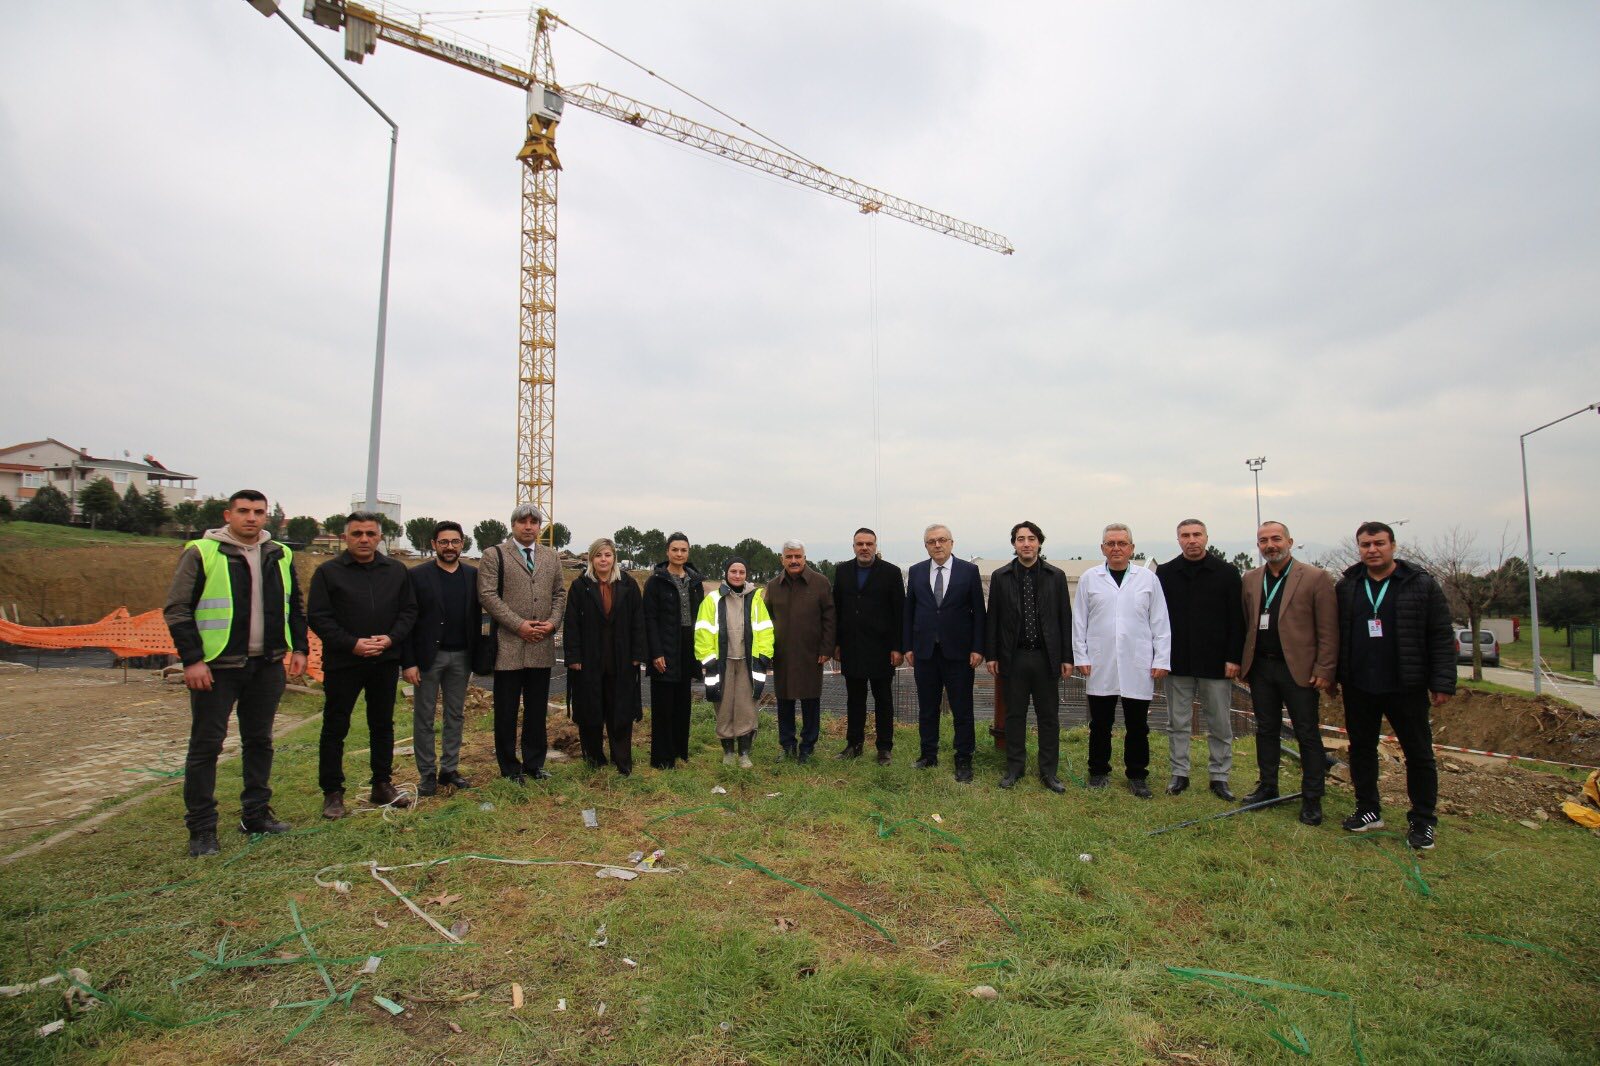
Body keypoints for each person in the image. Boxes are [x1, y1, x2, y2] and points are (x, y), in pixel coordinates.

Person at [163, 489, 308, 857]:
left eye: (259, 512)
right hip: (217, 667)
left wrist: (300, 648)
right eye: (243, 511)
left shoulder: (280, 553)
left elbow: (294, 606)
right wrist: (192, 659)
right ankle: (201, 828)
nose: (251, 518)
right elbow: (178, 610)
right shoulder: (202, 552)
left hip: (267, 665)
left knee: (260, 741)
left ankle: (255, 814)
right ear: (228, 515)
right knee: (206, 746)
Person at [1335, 521, 1455, 850]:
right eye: (1365, 545)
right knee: (1361, 749)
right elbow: (1336, 634)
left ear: (1393, 546)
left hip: (1407, 684)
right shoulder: (1348, 585)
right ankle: (1368, 809)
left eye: (1378, 543)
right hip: (1360, 683)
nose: (1372, 550)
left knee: (1418, 754)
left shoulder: (1420, 584)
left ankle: (1422, 820)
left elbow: (1441, 635)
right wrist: (1334, 675)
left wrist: (1442, 680)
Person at [307, 512, 418, 819]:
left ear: (380, 537)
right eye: (357, 533)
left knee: (382, 724)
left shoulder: (396, 571)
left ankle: (382, 784)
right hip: (344, 662)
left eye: (370, 533)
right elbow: (318, 616)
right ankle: (332, 792)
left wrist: (390, 639)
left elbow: (409, 611)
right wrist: (351, 643)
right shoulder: (328, 573)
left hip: (384, 661)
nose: (364, 539)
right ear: (346, 537)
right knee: (335, 726)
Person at [1238, 520, 1339, 826]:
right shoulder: (1252, 579)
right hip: (1262, 667)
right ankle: (1268, 786)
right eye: (1264, 540)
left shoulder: (1315, 577)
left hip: (1300, 669)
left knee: (1306, 733)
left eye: (1276, 539)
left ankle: (1311, 798)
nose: (1270, 545)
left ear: (1289, 541)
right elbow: (1247, 622)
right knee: (1266, 729)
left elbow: (1328, 628)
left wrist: (1325, 668)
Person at [1072, 523, 1171, 797]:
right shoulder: (1090, 578)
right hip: (1100, 661)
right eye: (1110, 543)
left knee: (1137, 725)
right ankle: (1098, 771)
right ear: (1102, 548)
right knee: (1100, 724)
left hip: (1137, 662)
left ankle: (1137, 775)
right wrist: (1081, 654)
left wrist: (1161, 658)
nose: (1116, 548)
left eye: (1122, 543)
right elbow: (1079, 620)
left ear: (1132, 548)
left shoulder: (1147, 579)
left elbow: (1160, 621)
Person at [478, 503, 567, 783]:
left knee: (536, 708)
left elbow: (559, 594)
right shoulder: (495, 555)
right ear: (513, 525)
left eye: (534, 522)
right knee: (506, 709)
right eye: (523, 522)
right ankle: (509, 767)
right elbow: (488, 596)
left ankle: (534, 763)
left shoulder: (551, 557)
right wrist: (519, 625)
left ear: (540, 527)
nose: (528, 527)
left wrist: (552, 623)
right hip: (509, 644)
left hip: (541, 644)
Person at [1156, 519, 1244, 801]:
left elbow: (1237, 619)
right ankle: (1179, 773)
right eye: (1185, 535)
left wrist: (1234, 656)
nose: (1191, 540)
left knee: (1219, 722)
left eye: (1197, 535)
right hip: (1177, 661)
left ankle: (1219, 776)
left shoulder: (1228, 573)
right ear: (1178, 539)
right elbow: (1157, 619)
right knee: (1177, 722)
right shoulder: (1166, 574)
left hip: (1216, 663)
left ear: (1206, 537)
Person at [985, 521, 1073, 793]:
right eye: (1020, 539)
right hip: (1014, 656)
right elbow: (993, 619)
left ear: (1039, 543)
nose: (1026, 543)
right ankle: (1015, 768)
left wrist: (1066, 656)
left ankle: (1049, 772)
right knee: (1015, 716)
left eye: (1031, 538)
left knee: (1048, 717)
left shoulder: (1055, 576)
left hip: (1047, 657)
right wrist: (992, 654)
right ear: (1014, 544)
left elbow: (1064, 618)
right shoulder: (1001, 577)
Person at [400, 521, 480, 797]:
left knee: (454, 715)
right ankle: (426, 776)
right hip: (428, 658)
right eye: (443, 542)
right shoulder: (418, 576)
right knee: (424, 717)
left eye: (454, 542)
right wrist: (408, 662)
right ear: (434, 545)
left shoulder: (472, 575)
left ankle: (449, 769)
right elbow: (407, 620)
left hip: (461, 656)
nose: (449, 547)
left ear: (462, 544)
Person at [903, 523, 986, 783]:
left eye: (942, 540)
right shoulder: (915, 572)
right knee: (927, 708)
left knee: (962, 709)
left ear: (952, 543)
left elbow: (978, 613)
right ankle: (928, 755)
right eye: (931, 541)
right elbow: (909, 612)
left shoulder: (968, 571)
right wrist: (908, 646)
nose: (937, 545)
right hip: (925, 652)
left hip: (959, 653)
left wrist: (978, 647)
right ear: (925, 545)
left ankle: (963, 758)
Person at [564, 537, 647, 775]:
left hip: (620, 661)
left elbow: (637, 622)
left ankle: (622, 761)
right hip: (589, 661)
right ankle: (594, 760)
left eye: (608, 555)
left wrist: (637, 654)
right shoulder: (581, 586)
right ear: (591, 559)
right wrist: (573, 657)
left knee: (620, 711)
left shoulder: (628, 585)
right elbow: (571, 624)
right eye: (599, 555)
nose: (603, 560)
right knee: (590, 712)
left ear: (614, 559)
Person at [831, 527, 905, 763]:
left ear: (875, 546)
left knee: (883, 699)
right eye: (860, 544)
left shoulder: (891, 573)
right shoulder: (842, 571)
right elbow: (837, 609)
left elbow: (899, 612)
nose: (864, 548)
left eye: (869, 544)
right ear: (853, 546)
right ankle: (854, 745)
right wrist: (837, 643)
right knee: (855, 698)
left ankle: (884, 748)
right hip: (852, 646)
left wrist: (897, 647)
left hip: (882, 649)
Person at [696, 558, 773, 767]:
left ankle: (744, 753)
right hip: (722, 664)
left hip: (748, 663)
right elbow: (702, 631)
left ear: (746, 574)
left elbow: (766, 629)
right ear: (726, 574)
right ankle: (728, 753)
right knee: (723, 706)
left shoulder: (756, 599)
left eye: (741, 571)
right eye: (733, 571)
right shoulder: (712, 600)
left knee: (747, 706)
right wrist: (708, 659)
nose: (737, 575)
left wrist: (764, 656)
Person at [764, 539, 836, 764]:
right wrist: (766, 652)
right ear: (782, 559)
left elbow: (830, 618)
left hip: (811, 653)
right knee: (784, 700)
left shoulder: (820, 582)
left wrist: (826, 648)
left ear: (805, 557)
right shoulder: (773, 586)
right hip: (782, 654)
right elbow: (766, 621)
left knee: (810, 700)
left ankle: (807, 747)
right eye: (789, 557)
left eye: (798, 556)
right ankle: (787, 745)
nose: (794, 561)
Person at [642, 532, 704, 769]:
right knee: (663, 705)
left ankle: (680, 751)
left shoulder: (695, 581)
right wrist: (655, 652)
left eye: (684, 550)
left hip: (687, 646)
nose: (679, 554)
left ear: (688, 552)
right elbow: (649, 619)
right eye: (675, 550)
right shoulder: (656, 581)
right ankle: (661, 757)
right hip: (664, 646)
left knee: (682, 702)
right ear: (667, 552)